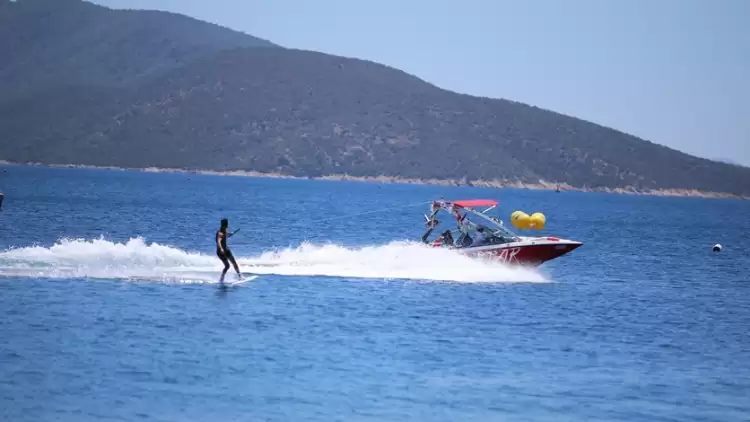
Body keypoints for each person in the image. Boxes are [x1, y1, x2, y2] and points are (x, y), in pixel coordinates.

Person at [216, 218, 241, 282]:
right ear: (225, 225)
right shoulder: (219, 233)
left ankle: (240, 276)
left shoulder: (225, 230)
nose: (227, 225)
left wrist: (231, 234)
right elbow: (219, 241)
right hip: (220, 252)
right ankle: (221, 278)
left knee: (234, 263)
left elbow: (226, 235)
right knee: (227, 266)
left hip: (226, 250)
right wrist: (221, 248)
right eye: (227, 224)